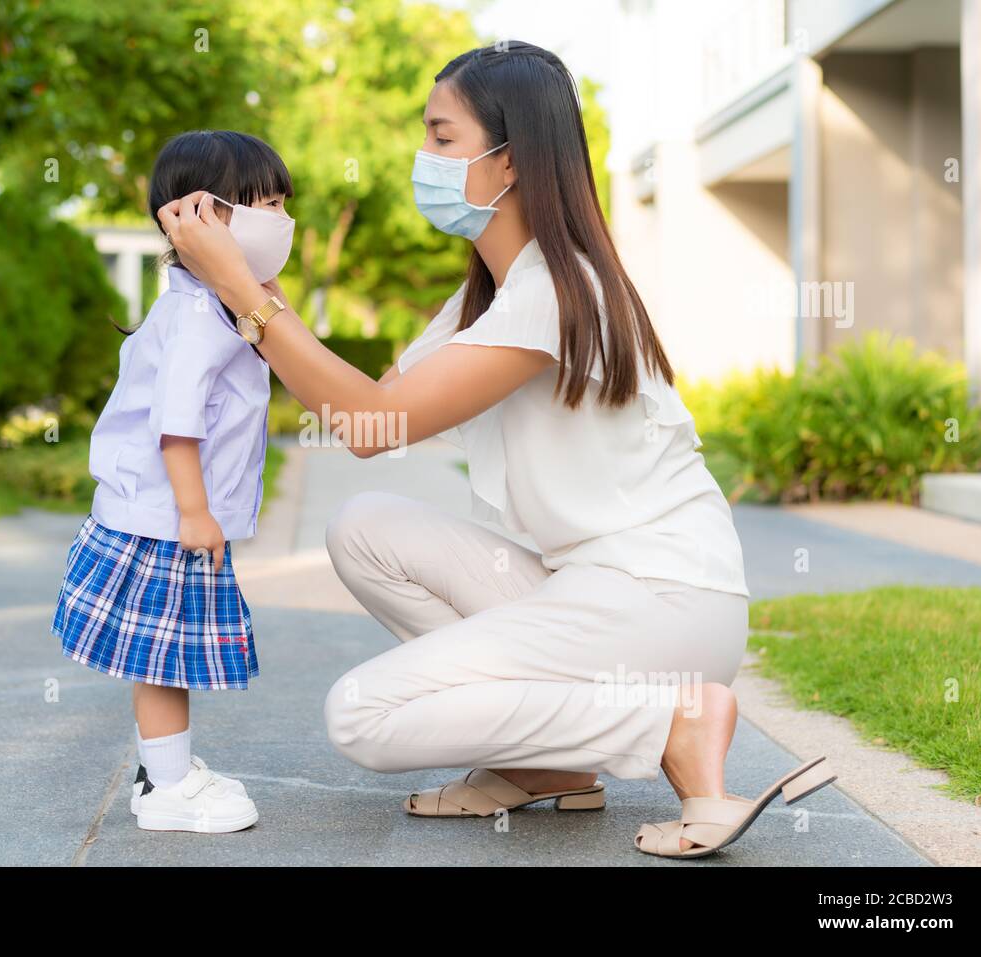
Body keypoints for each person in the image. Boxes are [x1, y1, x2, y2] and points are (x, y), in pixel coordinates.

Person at [156, 44, 837, 858]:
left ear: (507, 161)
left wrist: (239, 291)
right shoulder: (494, 292)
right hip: (595, 587)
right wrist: (253, 290)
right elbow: (363, 428)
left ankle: (670, 720)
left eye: (442, 140)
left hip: (659, 602)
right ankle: (545, 764)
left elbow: (374, 417)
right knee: (363, 526)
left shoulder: (552, 290)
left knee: (361, 714)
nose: (423, 160)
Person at [52, 130, 296, 834]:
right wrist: (195, 511)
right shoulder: (195, 317)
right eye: (264, 204)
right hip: (164, 519)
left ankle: (160, 771)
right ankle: (166, 787)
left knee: (166, 655)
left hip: (166, 516)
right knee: (164, 660)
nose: (280, 220)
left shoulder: (216, 306)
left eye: (284, 204)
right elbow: (177, 425)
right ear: (198, 215)